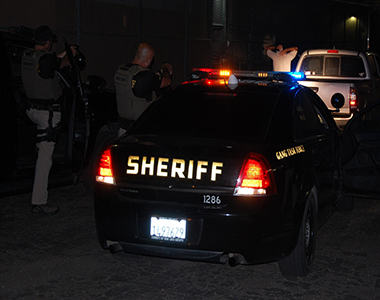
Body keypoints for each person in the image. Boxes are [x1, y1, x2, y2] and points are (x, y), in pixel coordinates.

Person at [21, 25, 76, 214]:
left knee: (41, 151)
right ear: (47, 42)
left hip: (32, 110)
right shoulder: (46, 61)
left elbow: (50, 61)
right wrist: (70, 54)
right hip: (46, 113)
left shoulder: (29, 56)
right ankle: (39, 201)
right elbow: (61, 63)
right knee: (45, 158)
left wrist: (60, 54)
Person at [114, 42, 172, 136]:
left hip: (123, 130)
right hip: (140, 132)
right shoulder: (145, 76)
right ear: (149, 60)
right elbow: (167, 82)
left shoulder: (122, 71)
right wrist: (165, 69)